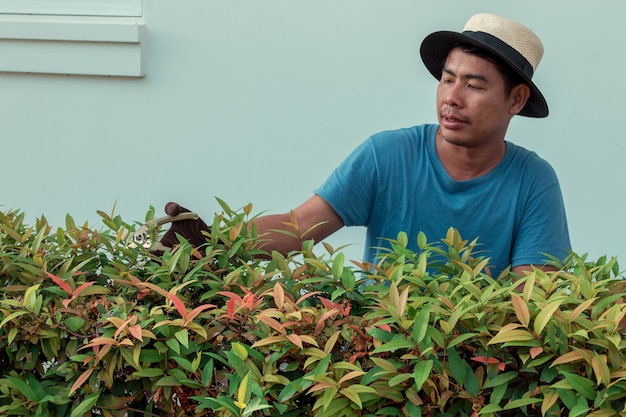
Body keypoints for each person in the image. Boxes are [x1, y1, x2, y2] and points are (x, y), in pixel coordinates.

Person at [252, 13, 570, 277]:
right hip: (377, 345)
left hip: (476, 352)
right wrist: (213, 239)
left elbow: (531, 298)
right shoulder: (387, 155)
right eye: (447, 80)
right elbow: (299, 228)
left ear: (516, 98)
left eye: (473, 85)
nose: (452, 98)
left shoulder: (533, 181)